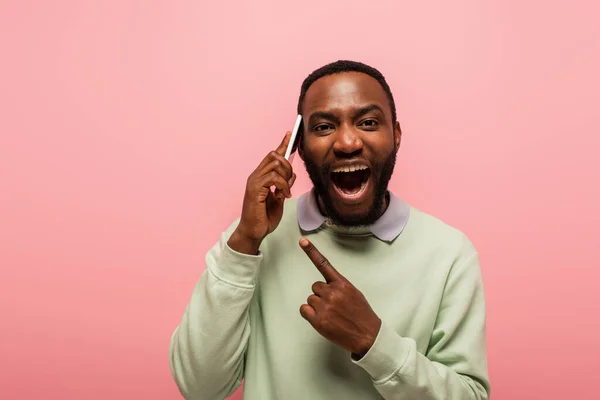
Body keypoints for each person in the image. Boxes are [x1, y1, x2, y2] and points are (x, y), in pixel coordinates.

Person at [169, 60, 490, 400]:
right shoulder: (257, 238)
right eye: (323, 127)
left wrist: (374, 341)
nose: (348, 141)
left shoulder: (449, 253)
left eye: (368, 122)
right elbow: (199, 388)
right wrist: (244, 243)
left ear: (395, 136)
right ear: (300, 146)